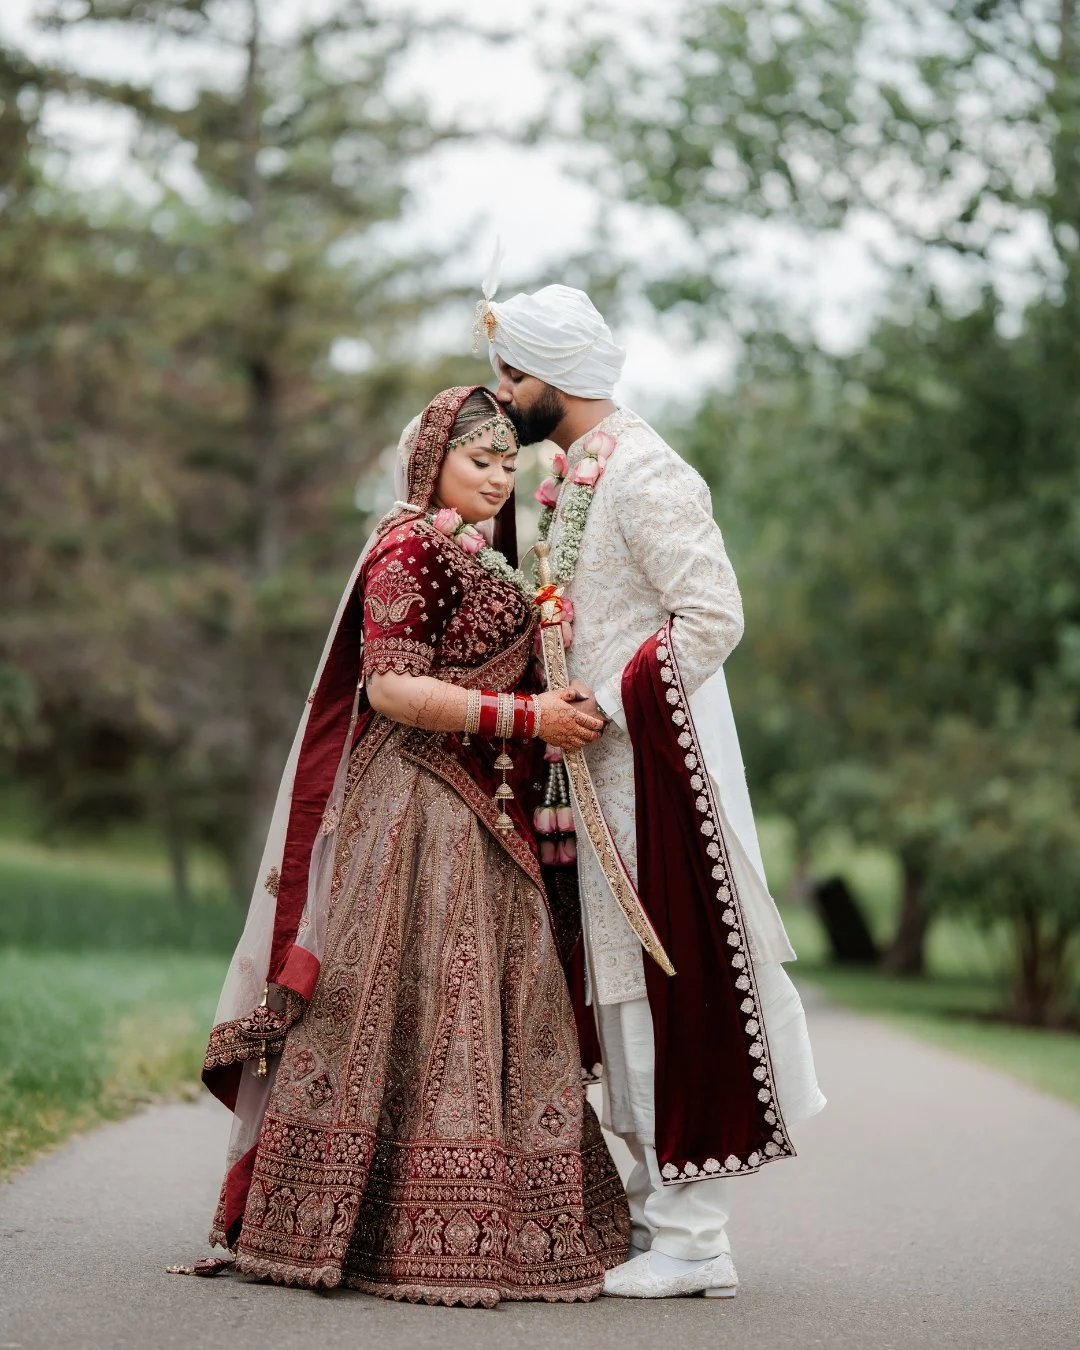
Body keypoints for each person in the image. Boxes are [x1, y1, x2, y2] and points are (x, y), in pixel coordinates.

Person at [193, 385, 630, 1306]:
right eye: (482, 462)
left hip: (485, 807)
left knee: (501, 996)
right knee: (408, 994)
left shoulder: (478, 553)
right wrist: (528, 715)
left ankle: (509, 1220)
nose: (500, 481)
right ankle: (344, 1221)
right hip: (415, 806)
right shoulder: (406, 546)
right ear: (432, 461)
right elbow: (392, 689)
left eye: (511, 465)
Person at [477, 284, 827, 1299]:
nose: (504, 395)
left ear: (562, 380)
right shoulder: (580, 468)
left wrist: (608, 707)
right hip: (594, 779)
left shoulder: (646, 472)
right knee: (616, 996)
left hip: (649, 780)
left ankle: (695, 1234)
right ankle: (655, 1211)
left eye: (515, 377)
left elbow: (712, 617)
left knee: (668, 985)